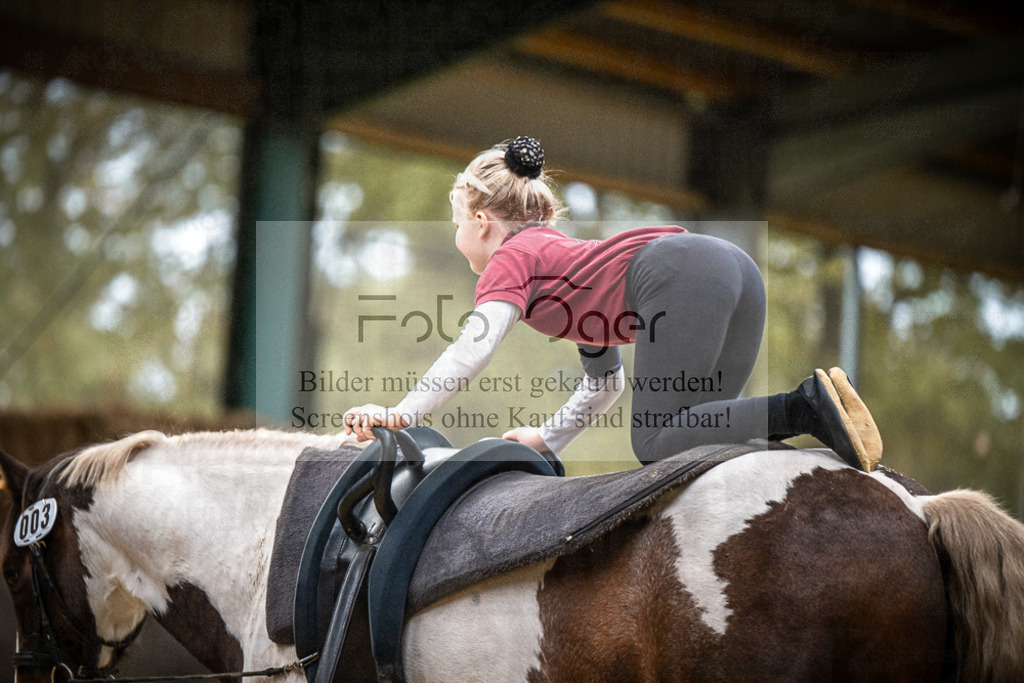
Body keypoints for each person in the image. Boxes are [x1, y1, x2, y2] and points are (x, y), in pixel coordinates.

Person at [343, 136, 881, 470]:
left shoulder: (514, 256)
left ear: (482, 223)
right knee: (704, 436)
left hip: (680, 274)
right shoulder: (563, 265)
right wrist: (548, 438)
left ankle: (807, 405)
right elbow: (606, 383)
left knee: (653, 442)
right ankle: (813, 449)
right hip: (734, 269)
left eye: (456, 222)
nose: (456, 234)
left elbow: (471, 350)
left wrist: (399, 414)